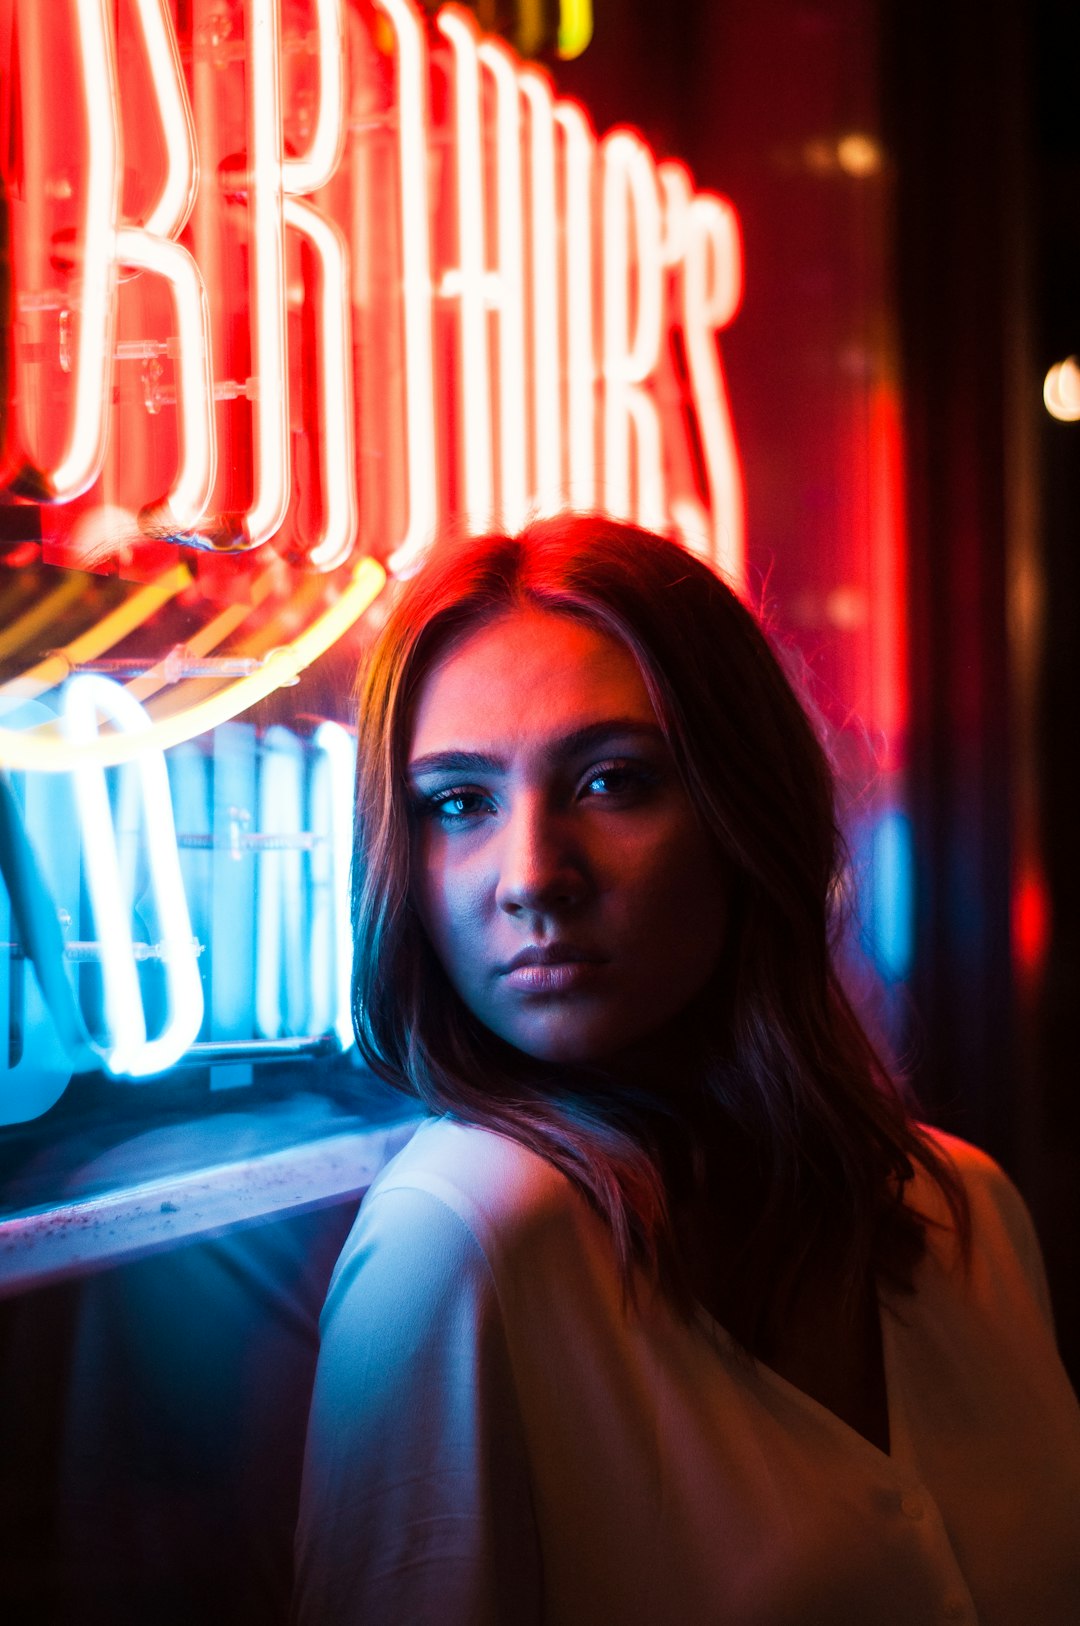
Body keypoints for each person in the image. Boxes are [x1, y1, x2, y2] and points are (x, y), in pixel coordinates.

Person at [293, 516, 1080, 1625]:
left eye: (613, 781)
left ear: (742, 807)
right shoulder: (459, 1240)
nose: (531, 876)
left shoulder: (967, 1215)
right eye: (458, 802)